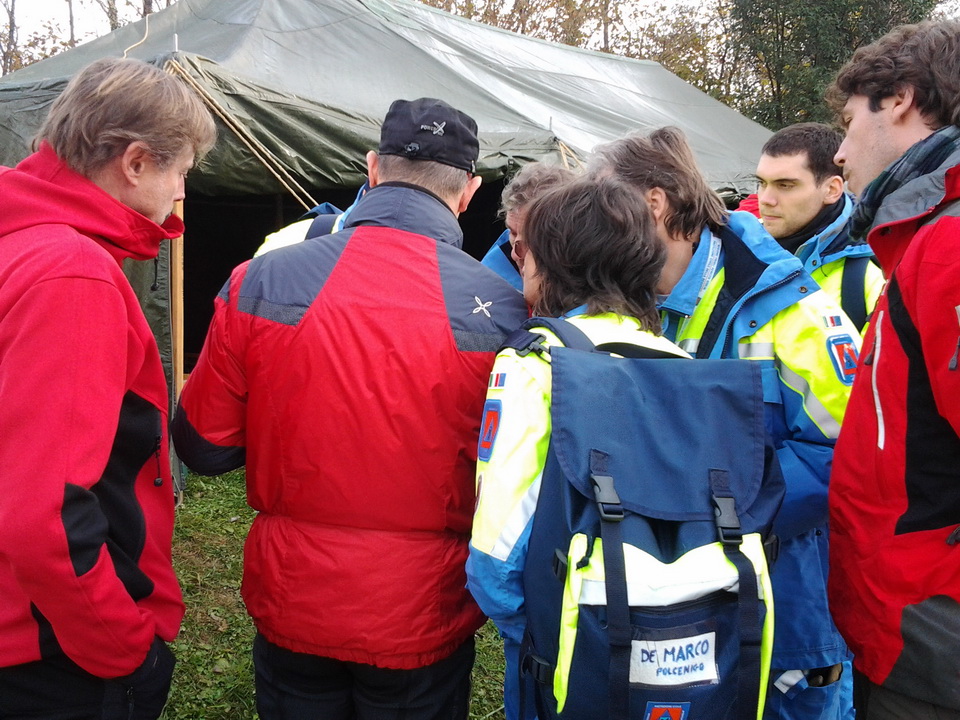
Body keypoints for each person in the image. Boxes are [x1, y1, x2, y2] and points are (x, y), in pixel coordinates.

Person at [173, 97, 528, 720]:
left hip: (296, 598)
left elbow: (204, 445)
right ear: (470, 192)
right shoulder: (505, 310)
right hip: (421, 612)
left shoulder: (260, 280)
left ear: (372, 168)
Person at [590, 127, 860, 720]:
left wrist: (719, 512)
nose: (596, 228)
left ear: (654, 203)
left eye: (605, 209)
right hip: (675, 604)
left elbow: (848, 453)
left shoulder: (792, 309)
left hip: (786, 612)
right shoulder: (624, 299)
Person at [0, 57, 215, 720]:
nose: (181, 191)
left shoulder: (19, 237)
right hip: (45, 649)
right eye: (181, 171)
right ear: (136, 162)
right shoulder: (72, 273)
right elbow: (45, 515)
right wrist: (121, 647)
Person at [467, 174, 690, 720]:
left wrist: (530, 630)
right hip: (669, 626)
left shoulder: (535, 362)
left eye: (529, 249)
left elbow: (498, 543)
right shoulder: (682, 361)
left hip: (562, 635)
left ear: (553, 261)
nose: (520, 260)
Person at [825, 20, 960, 720]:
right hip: (911, 631)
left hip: (934, 638)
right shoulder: (922, 239)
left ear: (901, 99)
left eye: (849, 124)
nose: (840, 152)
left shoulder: (949, 242)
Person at [756, 123, 884, 333]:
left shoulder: (871, 281)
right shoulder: (735, 257)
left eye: (785, 185)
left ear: (832, 190)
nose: (765, 199)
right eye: (762, 183)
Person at [480, 162, 577, 291]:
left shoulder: (592, 290)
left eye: (531, 240)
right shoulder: (486, 282)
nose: (515, 254)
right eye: (513, 233)